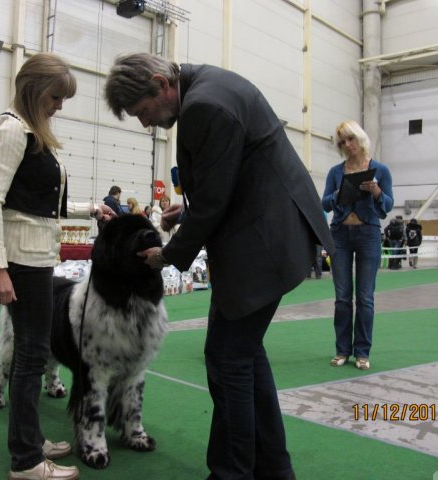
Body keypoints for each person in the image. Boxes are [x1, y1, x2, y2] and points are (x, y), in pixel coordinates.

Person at [105, 53, 334, 480]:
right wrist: (186, 213)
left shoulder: (204, 105)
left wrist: (166, 256)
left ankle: (232, 473)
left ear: (160, 85)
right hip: (267, 237)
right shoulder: (205, 89)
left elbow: (215, 203)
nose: (145, 123)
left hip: (264, 245)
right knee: (242, 357)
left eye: (142, 112)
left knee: (228, 361)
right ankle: (273, 469)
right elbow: (225, 182)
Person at [0, 52, 114, 480]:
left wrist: (92, 208)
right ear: (36, 91)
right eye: (56, 97)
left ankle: (31, 442)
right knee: (31, 356)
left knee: (31, 355)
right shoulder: (11, 131)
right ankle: (26, 461)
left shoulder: (30, 133)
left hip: (35, 257)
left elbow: (42, 206)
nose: (60, 106)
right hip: (21, 261)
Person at [322, 120, 394, 371]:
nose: (347, 145)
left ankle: (362, 353)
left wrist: (375, 191)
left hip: (369, 235)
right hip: (340, 234)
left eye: (350, 138)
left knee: (365, 298)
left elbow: (388, 204)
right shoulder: (335, 172)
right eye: (342, 142)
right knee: (342, 298)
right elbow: (325, 204)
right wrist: (341, 193)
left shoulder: (381, 170)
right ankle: (342, 350)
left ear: (360, 138)